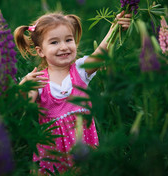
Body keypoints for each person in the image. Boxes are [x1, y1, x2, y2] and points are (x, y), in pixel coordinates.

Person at [13, 11, 131, 174]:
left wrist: (115, 28)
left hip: (84, 149)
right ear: (41, 51)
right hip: (52, 155)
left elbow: (100, 54)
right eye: (54, 42)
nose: (63, 47)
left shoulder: (80, 70)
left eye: (68, 40)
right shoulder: (39, 80)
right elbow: (21, 105)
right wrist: (24, 85)